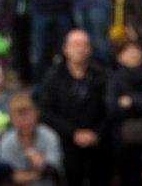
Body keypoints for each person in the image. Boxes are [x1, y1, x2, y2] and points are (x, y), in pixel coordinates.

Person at [37, 30, 109, 186]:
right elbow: (45, 111)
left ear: (90, 49)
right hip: (65, 143)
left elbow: (110, 109)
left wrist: (97, 133)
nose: (81, 49)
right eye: (76, 44)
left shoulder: (102, 75)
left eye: (85, 45)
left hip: (98, 142)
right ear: (65, 49)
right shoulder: (53, 77)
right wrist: (73, 133)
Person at [105, 41, 142, 184]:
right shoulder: (114, 79)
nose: (133, 54)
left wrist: (131, 102)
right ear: (119, 57)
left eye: (136, 50)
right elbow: (112, 108)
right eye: (127, 51)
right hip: (126, 141)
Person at [0, 93, 64, 186]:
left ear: (36, 115)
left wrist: (42, 165)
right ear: (12, 120)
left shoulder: (49, 136)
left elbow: (56, 171)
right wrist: (37, 174)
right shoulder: (6, 142)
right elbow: (6, 176)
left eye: (28, 118)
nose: (25, 123)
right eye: (20, 120)